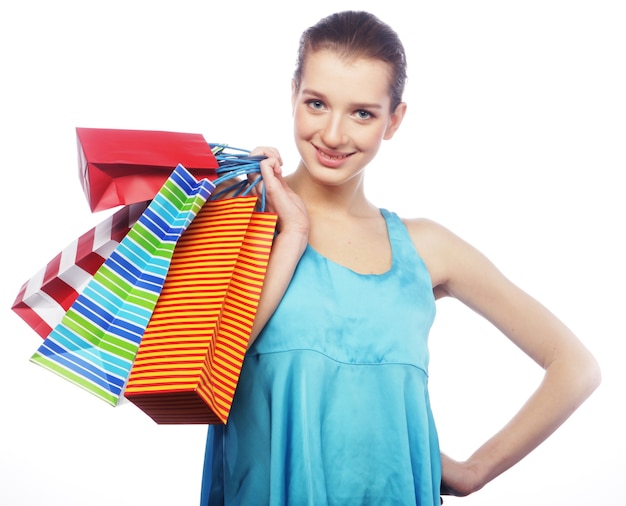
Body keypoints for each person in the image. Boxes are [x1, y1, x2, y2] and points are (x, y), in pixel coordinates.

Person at [200, 10, 601, 505]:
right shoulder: (237, 216)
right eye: (317, 103)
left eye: (363, 113)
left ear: (394, 120)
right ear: (293, 97)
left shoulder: (425, 247)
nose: (332, 134)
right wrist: (292, 232)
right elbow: (203, 374)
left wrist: (475, 470)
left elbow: (576, 366)